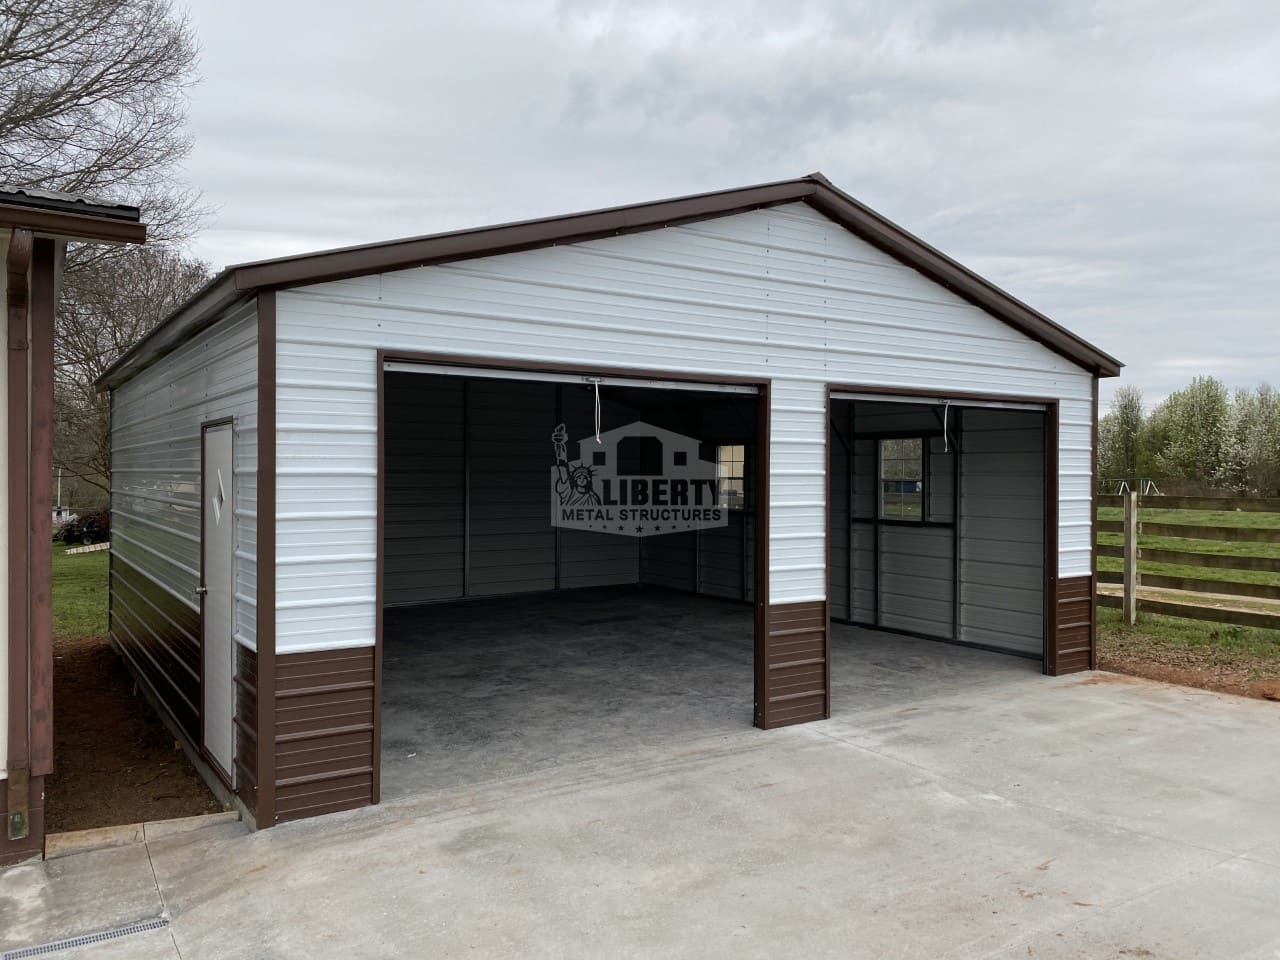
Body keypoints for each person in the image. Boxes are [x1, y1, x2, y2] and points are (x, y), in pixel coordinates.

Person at [552, 423, 601, 506]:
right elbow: (563, 470)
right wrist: (560, 445)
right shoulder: (568, 492)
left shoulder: (592, 498)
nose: (581, 479)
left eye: (584, 477)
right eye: (579, 477)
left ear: (589, 480)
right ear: (575, 480)